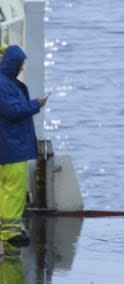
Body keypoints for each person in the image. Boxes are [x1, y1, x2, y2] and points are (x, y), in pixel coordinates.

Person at [0, 44, 48, 248]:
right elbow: (12, 111)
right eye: (20, 64)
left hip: (10, 145)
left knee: (6, 190)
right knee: (13, 190)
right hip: (11, 146)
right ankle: (10, 232)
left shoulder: (7, 83)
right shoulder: (4, 84)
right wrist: (36, 104)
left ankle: (8, 229)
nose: (21, 68)